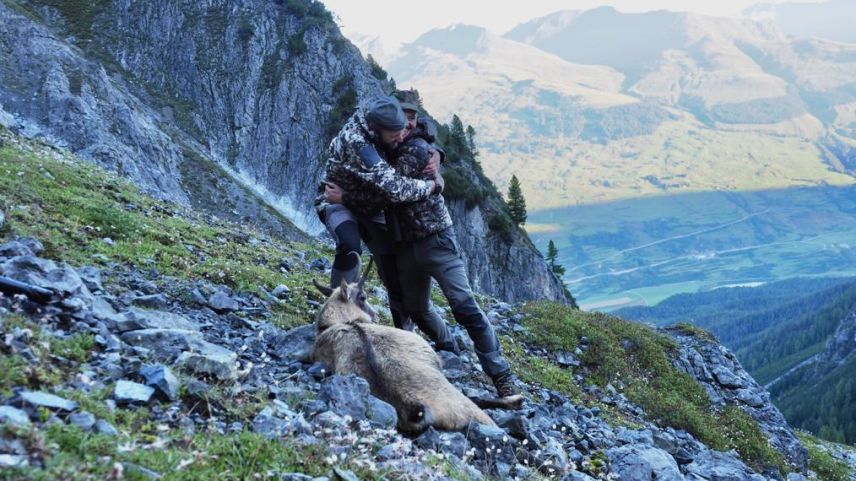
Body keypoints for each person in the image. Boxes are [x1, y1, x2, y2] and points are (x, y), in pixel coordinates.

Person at [325, 101, 522, 402]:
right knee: (413, 307)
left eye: (411, 122)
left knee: (464, 306)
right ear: (383, 125)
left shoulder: (415, 150)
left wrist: (435, 178)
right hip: (405, 244)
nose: (406, 130)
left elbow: (388, 192)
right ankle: (445, 350)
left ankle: (502, 377)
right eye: (401, 124)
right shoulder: (379, 146)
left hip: (435, 240)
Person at [315, 95, 442, 330]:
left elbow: (418, 135)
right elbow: (395, 188)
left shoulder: (384, 119)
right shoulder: (358, 143)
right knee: (350, 246)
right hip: (338, 200)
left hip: (372, 205)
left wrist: (435, 152)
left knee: (393, 268)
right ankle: (337, 314)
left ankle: (404, 330)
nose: (402, 138)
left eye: (403, 130)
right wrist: (432, 186)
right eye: (396, 136)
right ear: (378, 129)